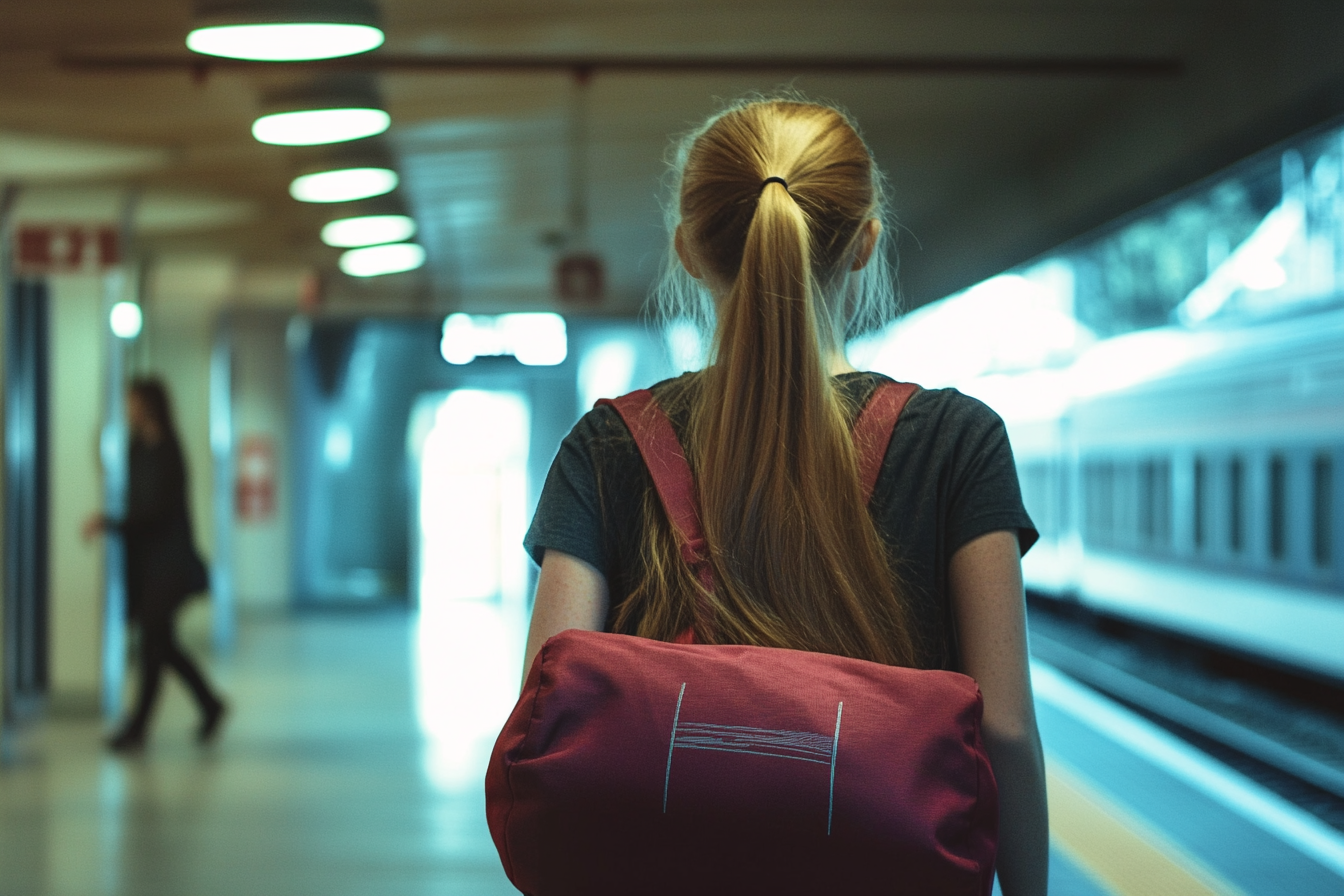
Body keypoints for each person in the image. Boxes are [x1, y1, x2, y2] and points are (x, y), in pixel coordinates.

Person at [520, 97, 1049, 894]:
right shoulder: (959, 440)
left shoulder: (607, 445)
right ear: (866, 243)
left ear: (690, 250)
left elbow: (547, 704)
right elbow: (1003, 730)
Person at [83, 377, 227, 752]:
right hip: (151, 566)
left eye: (133, 402)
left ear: (148, 404)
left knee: (154, 646)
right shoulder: (138, 448)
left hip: (170, 565)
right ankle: (209, 705)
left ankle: (140, 728)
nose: (129, 409)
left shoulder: (167, 450)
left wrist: (110, 523)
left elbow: (155, 512)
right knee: (161, 646)